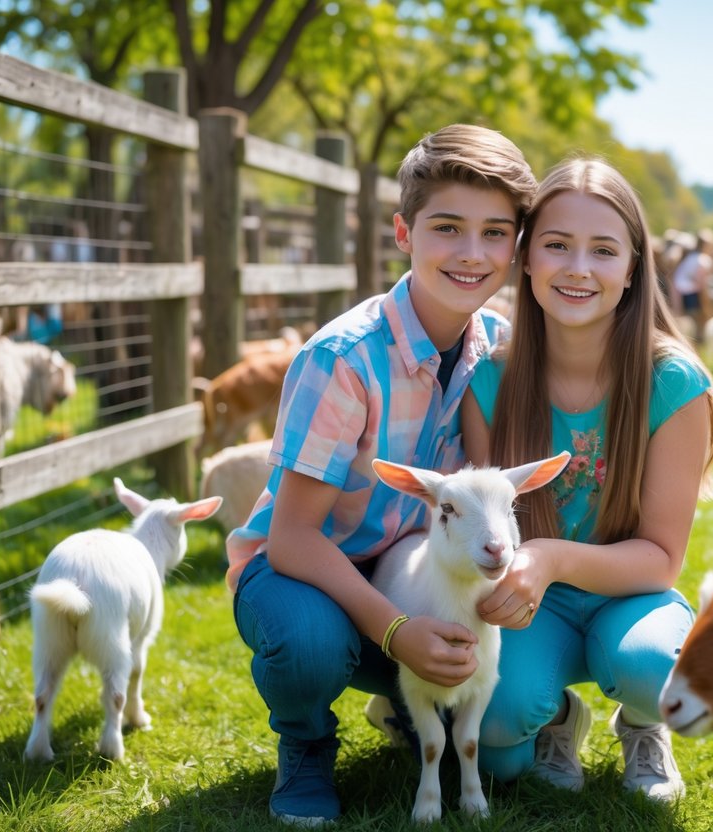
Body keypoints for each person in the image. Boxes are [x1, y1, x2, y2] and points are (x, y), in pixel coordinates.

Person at [225, 123, 537, 826]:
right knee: (308, 648)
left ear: (516, 244)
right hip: (303, 568)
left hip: (417, 567)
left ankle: (404, 701)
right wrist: (396, 632)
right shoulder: (342, 358)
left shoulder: (499, 349)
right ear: (403, 232)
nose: (470, 253)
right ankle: (305, 744)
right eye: (446, 228)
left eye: (495, 233)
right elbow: (293, 537)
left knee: (504, 744)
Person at [462, 158, 713, 801]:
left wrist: (551, 555)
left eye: (603, 250)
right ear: (526, 260)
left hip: (629, 591)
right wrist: (530, 572)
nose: (578, 267)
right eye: (557, 245)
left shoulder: (673, 383)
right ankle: (557, 717)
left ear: (633, 268)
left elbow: (661, 560)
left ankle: (642, 722)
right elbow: (483, 529)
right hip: (533, 602)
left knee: (660, 677)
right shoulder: (488, 383)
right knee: (499, 749)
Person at [667, 228, 713, 343]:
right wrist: (707, 304)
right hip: (691, 294)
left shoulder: (691, 257)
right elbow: (702, 286)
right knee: (697, 322)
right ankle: (696, 344)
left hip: (681, 293)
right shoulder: (703, 260)